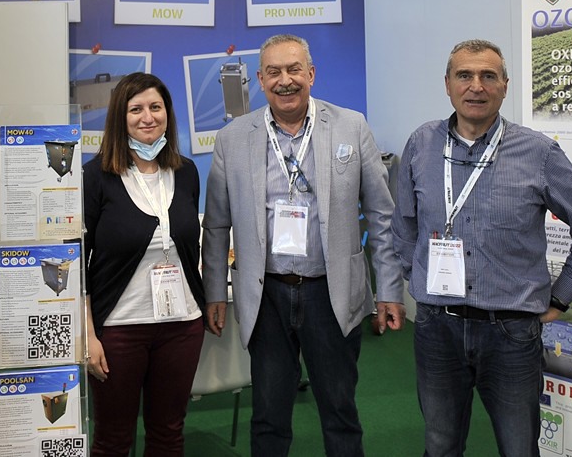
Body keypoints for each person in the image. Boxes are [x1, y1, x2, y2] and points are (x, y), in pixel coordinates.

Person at [392, 39, 572, 457]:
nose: (476, 86)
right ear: (447, 84)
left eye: (488, 76)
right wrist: (418, 276)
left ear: (505, 86)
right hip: (437, 328)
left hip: (511, 333)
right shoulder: (422, 144)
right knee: (439, 444)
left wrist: (561, 297)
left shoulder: (538, 152)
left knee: (518, 447)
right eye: (464, 75)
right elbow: (404, 224)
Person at [202, 33, 403, 457]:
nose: (285, 80)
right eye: (273, 72)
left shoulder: (351, 126)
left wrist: (389, 288)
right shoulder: (233, 138)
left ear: (311, 74)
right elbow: (216, 225)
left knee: (340, 411)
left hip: (331, 292)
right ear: (260, 80)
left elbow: (382, 215)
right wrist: (215, 291)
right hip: (267, 296)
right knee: (268, 417)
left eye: (294, 69)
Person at [82, 72, 206, 457]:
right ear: (120, 117)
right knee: (113, 438)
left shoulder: (186, 172)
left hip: (182, 325)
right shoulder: (95, 177)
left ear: (168, 113)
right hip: (119, 329)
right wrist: (87, 334)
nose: (147, 117)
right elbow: (75, 262)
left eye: (156, 107)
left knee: (168, 433)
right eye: (136, 109)